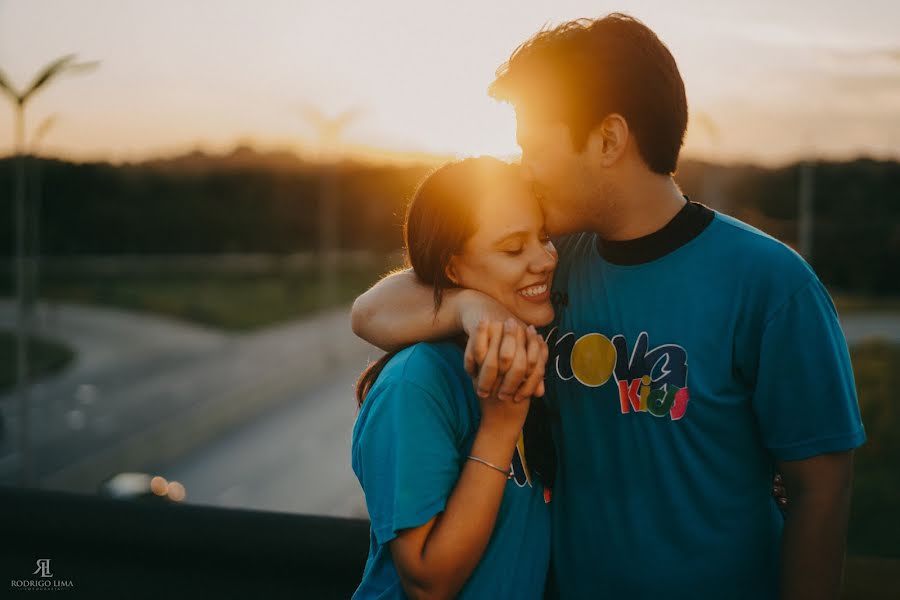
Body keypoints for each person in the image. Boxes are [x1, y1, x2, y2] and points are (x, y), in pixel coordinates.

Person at [351, 13, 865, 600]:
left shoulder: (770, 282)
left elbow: (822, 490)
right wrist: (473, 309)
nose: (523, 168)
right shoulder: (549, 261)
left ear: (608, 140)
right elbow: (370, 312)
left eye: (534, 147)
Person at [351, 157, 556, 599]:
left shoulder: (525, 348)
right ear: (454, 269)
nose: (545, 259)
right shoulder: (416, 384)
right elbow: (427, 581)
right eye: (513, 248)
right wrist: (500, 427)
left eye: (544, 236)